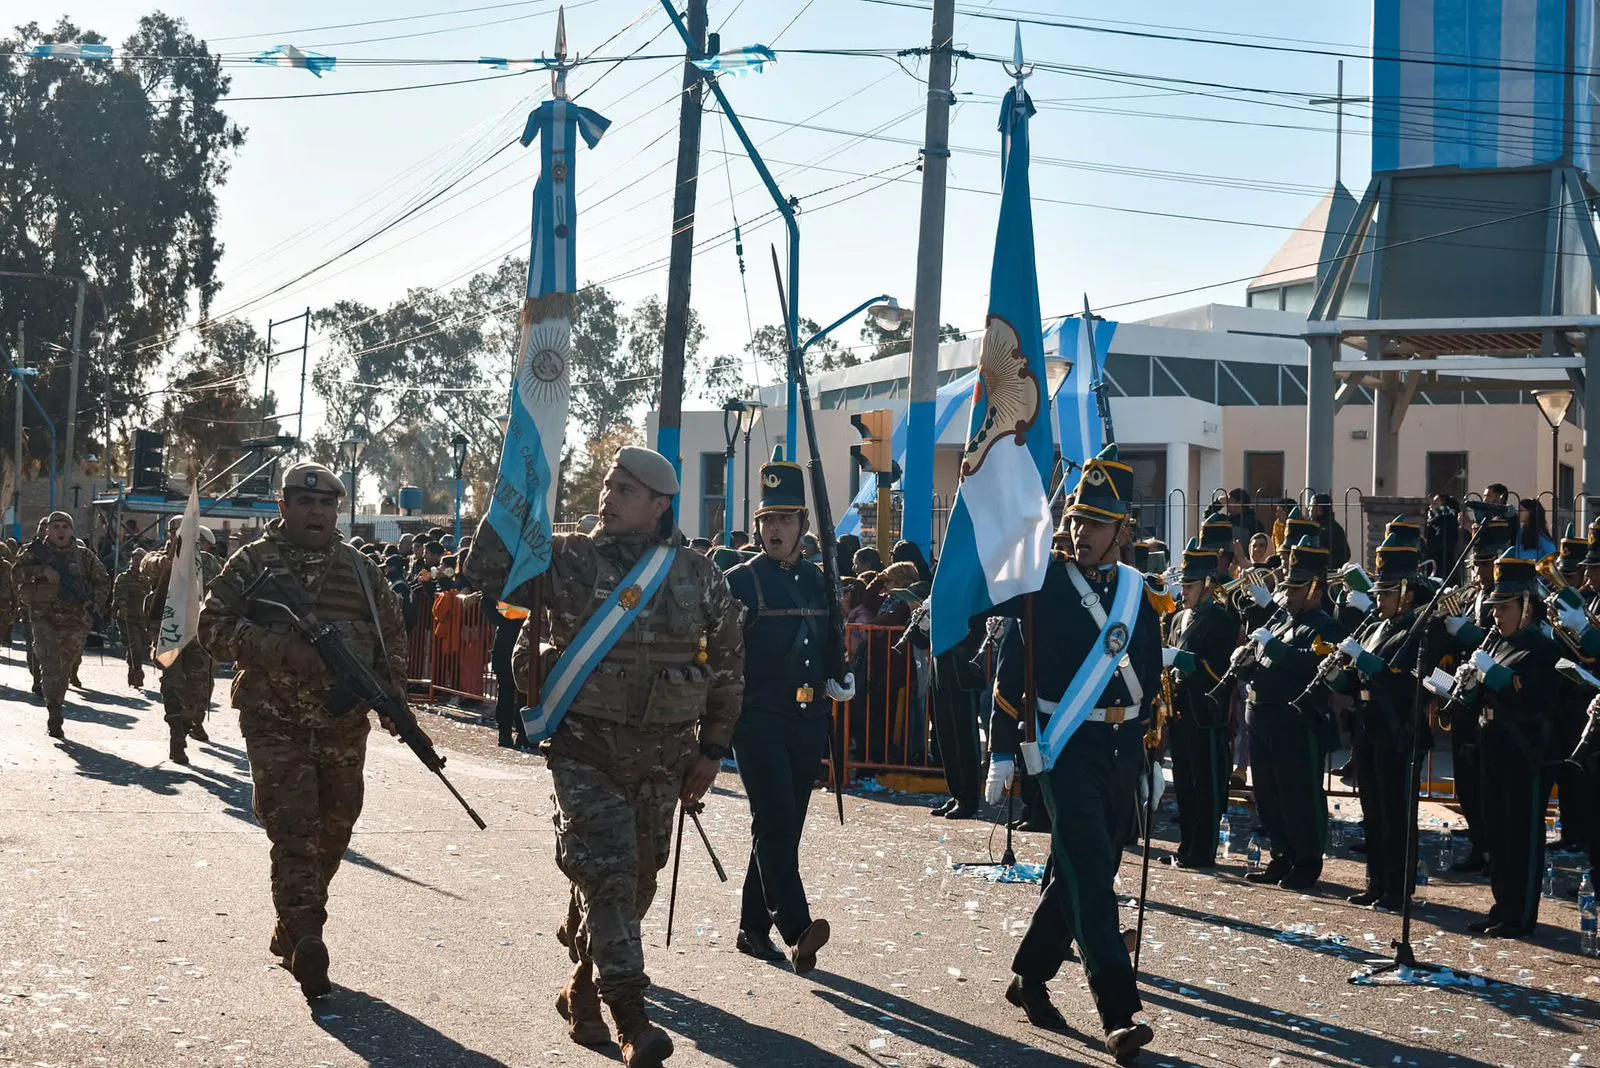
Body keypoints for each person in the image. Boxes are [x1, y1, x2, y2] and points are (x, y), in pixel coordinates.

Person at [507, 446, 745, 1066]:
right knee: (610, 873)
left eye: (624, 490)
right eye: (607, 485)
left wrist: (712, 751)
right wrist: (517, 484)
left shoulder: (698, 574)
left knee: (637, 879)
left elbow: (726, 669)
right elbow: (489, 572)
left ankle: (583, 985)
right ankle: (633, 1018)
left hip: (666, 757)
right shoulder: (569, 559)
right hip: (586, 748)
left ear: (659, 505)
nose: (607, 497)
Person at [198, 463, 408, 1001]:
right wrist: (280, 648)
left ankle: (291, 923)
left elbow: (391, 642)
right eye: (305, 502)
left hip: (342, 726)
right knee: (294, 828)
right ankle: (309, 936)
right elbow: (211, 627)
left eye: (327, 504)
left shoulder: (362, 572)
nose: (317, 512)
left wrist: (393, 701)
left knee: (335, 828)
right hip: (273, 722)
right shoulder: (251, 565)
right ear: (283, 506)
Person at [987, 445, 1158, 1061]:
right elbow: (1008, 664)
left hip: (1121, 749)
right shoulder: (1045, 582)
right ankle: (1119, 1011)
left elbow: (1148, 679)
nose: (1081, 531)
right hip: (1063, 746)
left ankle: (1030, 976)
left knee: (1081, 873)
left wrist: (1150, 757)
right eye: (1077, 519)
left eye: (1096, 523)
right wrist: (1002, 748)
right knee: (1089, 869)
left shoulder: (1139, 594)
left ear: (1122, 531)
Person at [723, 454, 851, 970]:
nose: (775, 528)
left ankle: (752, 926)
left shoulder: (822, 580)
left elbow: (828, 641)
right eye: (768, 520)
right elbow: (723, 654)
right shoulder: (739, 580)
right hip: (758, 719)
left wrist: (839, 673)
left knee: (783, 825)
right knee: (774, 818)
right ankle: (796, 927)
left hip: (808, 719)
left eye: (785, 519)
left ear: (803, 525)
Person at [1445, 552, 1563, 938]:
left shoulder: (1542, 648)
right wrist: (1463, 688)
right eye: (1494, 607)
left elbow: (1534, 698)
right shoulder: (1498, 643)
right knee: (1496, 834)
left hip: (1523, 753)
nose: (1496, 615)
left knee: (1520, 837)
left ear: (1526, 606)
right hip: (1491, 749)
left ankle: (1520, 913)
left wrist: (1493, 676)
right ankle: (1501, 906)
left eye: (1504, 607)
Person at [1327, 534, 1438, 909]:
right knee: (1372, 812)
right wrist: (1335, 675)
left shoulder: (1419, 629)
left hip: (1398, 729)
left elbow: (1407, 681)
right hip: (1368, 725)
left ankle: (1397, 886)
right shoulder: (1378, 627)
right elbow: (1359, 680)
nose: (1378, 600)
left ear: (1405, 593)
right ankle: (1376, 880)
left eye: (1386, 593)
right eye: (1377, 593)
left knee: (1396, 814)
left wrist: (1366, 661)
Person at [1232, 536, 1344, 890]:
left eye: (1296, 589)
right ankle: (1281, 855)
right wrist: (1246, 665)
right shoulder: (1283, 620)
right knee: (1269, 793)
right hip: (1262, 716)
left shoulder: (1323, 625)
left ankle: (1306, 860)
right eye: (1288, 588)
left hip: (1294, 720)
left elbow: (1312, 665)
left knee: (1299, 794)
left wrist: (1275, 649)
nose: (1289, 595)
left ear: (1313, 590)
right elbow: (1264, 663)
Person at [1437, 515, 1512, 873]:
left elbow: (1499, 647)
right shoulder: (1473, 596)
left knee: (1486, 783)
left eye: (1485, 563)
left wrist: (1466, 633)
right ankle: (1478, 844)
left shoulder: (1508, 599)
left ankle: (1492, 849)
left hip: (1488, 700)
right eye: (1476, 563)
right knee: (1466, 781)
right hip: (1462, 694)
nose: (1479, 570)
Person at [1163, 539, 1238, 868]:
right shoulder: (1179, 618)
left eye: (1190, 584)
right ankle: (1187, 844)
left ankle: (1203, 848)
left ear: (1207, 584)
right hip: (1179, 709)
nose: (1185, 591)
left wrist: (1187, 661)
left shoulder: (1222, 619)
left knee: (1205, 783)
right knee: (1183, 779)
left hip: (1205, 711)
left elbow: (1222, 669)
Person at [14, 511, 110, 739]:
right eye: (55, 526)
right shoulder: (35, 553)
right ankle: (54, 712)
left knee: (65, 668)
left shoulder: (84, 556)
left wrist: (94, 605)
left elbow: (102, 581)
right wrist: (41, 571)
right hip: (44, 617)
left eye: (64, 527)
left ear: (72, 531)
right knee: (49, 662)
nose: (60, 531)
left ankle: (57, 700)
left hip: (75, 620)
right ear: (48, 530)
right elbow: (16, 573)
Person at [143, 517, 224, 764]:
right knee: (173, 681)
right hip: (169, 630)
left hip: (199, 631)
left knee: (200, 686)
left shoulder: (208, 562)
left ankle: (190, 721)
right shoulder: (157, 559)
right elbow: (150, 566)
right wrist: (172, 557)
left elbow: (222, 586)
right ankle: (176, 734)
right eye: (175, 533)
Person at [111, 547, 152, 688]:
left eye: (140, 559)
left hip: (143, 619)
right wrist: (123, 609)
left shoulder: (147, 579)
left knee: (143, 646)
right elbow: (119, 595)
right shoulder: (123, 578)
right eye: (135, 559)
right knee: (135, 647)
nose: (137, 561)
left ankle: (134, 670)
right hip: (128, 618)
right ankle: (136, 674)